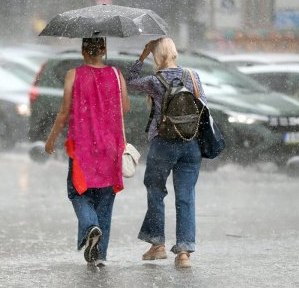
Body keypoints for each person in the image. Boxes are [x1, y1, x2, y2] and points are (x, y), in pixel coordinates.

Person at [45, 37, 130, 268]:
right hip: (111, 147)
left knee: (78, 192)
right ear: (104, 50)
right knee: (105, 199)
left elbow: (64, 112)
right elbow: (126, 108)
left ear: (83, 50)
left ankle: (91, 225)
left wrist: (51, 138)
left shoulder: (73, 75)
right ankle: (99, 256)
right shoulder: (116, 74)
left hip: (83, 147)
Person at [126, 37, 207, 269]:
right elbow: (203, 104)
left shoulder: (155, 80)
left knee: (155, 190)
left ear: (157, 55)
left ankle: (157, 245)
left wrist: (141, 57)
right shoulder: (192, 76)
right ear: (174, 53)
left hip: (163, 142)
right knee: (186, 197)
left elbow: (129, 82)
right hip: (191, 143)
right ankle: (184, 252)